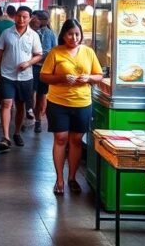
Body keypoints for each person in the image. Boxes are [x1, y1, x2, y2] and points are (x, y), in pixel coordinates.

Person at [40, 18, 104, 195]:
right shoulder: (55, 53)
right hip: (58, 102)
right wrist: (61, 78)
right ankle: (59, 179)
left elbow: (98, 75)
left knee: (76, 140)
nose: (74, 37)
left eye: (77, 34)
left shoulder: (89, 52)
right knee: (60, 138)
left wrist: (89, 78)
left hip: (82, 102)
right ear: (63, 35)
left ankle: (72, 177)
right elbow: (44, 76)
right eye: (70, 34)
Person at [0, 6, 43, 152]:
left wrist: (28, 63)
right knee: (6, 103)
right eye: (19, 16)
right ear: (15, 16)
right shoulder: (6, 33)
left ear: (30, 19)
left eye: (25, 17)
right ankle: (5, 137)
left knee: (21, 106)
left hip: (25, 77)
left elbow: (39, 55)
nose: (21, 19)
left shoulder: (33, 35)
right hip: (7, 75)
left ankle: (16, 132)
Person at [31, 10, 57, 133]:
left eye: (35, 18)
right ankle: (37, 119)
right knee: (41, 94)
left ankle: (37, 119)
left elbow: (51, 51)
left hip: (37, 67)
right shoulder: (48, 33)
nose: (34, 20)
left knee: (37, 94)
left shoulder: (41, 33)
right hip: (42, 68)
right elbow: (53, 50)